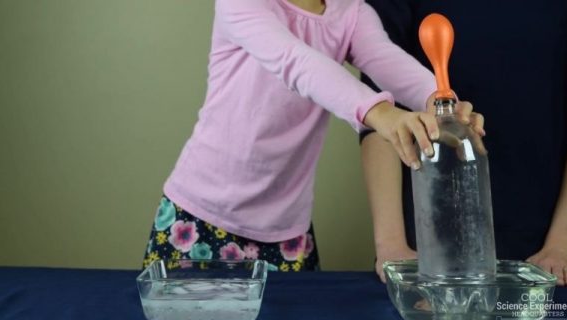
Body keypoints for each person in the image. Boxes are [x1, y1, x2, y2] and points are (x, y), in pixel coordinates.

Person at [142, 0, 485, 271]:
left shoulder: (352, 13)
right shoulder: (242, 3)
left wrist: (440, 101)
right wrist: (381, 114)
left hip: (287, 231)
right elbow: (298, 63)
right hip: (199, 215)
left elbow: (386, 58)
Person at [361, 0, 567, 286]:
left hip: (545, 251)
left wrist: (561, 243)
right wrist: (391, 244)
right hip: (426, 251)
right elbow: (378, 110)